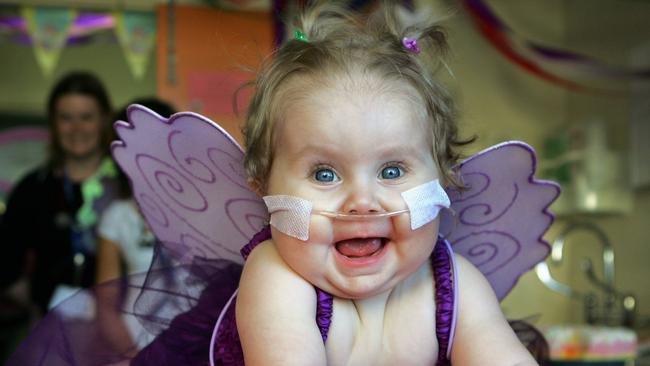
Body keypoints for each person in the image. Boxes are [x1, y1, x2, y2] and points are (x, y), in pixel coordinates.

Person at [130, 2, 541, 365]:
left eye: (392, 171)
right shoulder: (278, 277)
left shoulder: (456, 281)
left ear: (444, 181)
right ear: (262, 188)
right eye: (324, 174)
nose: (362, 202)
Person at [1, 71, 120, 314]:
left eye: (86, 117)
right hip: (48, 329)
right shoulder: (33, 187)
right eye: (66, 118)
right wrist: (38, 303)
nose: (76, 128)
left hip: (118, 331)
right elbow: (5, 260)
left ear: (104, 120)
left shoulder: (125, 187)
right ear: (53, 123)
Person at [94, 98, 176, 358]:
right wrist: (134, 358)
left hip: (201, 342)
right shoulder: (117, 217)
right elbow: (105, 306)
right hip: (137, 342)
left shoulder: (206, 209)